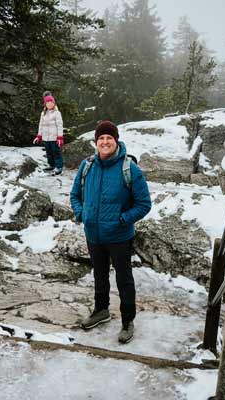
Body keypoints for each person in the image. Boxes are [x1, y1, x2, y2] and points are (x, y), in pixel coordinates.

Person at [70, 120, 152, 344]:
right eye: (101, 139)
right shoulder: (87, 166)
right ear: (96, 142)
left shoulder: (129, 169)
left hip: (118, 236)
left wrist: (122, 219)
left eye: (109, 138)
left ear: (116, 141)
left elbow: (144, 204)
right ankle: (101, 310)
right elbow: (75, 195)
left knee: (124, 279)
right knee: (99, 274)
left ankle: (127, 321)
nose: (105, 142)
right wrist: (81, 214)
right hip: (93, 234)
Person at [33, 92, 64, 175]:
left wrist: (60, 137)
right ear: (45, 104)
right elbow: (41, 125)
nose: (49, 104)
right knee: (49, 153)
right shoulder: (43, 113)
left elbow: (60, 125)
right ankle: (52, 165)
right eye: (47, 103)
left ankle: (59, 167)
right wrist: (39, 136)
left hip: (54, 138)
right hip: (46, 138)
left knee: (56, 152)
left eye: (51, 102)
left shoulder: (57, 113)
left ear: (54, 103)